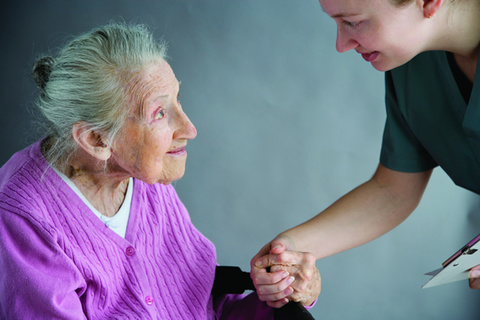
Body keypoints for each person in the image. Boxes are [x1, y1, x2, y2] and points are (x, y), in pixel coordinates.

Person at [0, 22, 320, 319]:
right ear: (96, 139)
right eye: (159, 113)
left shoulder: (145, 177)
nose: (189, 128)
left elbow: (206, 308)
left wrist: (282, 294)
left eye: (177, 100)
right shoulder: (24, 217)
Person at [250, 0, 480, 305]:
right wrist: (290, 248)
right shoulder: (411, 60)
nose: (341, 45)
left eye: (353, 22)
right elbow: (394, 190)